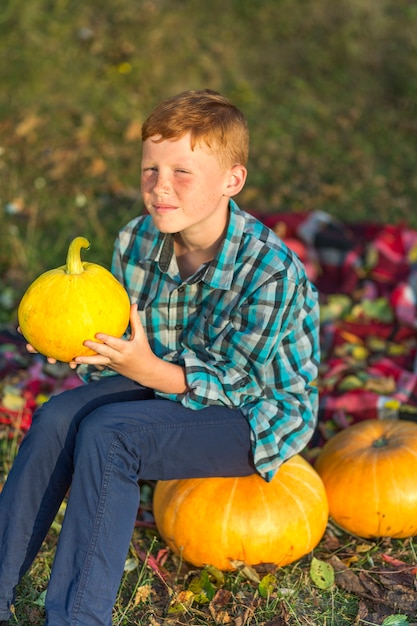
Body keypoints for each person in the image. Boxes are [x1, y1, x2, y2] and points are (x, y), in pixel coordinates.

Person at [0, 89, 320, 626]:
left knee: (111, 434)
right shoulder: (135, 240)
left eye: (182, 172)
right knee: (58, 416)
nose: (160, 186)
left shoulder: (269, 270)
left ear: (231, 181)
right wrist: (74, 345)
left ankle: (77, 617)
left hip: (255, 414)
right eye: (150, 169)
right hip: (166, 377)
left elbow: (235, 385)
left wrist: (146, 370)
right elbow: (128, 344)